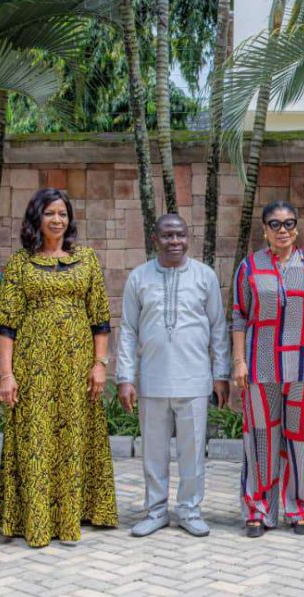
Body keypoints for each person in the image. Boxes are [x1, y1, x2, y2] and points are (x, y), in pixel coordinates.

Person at [0, 188, 117, 547]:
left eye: (63, 213)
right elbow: (6, 325)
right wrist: (6, 375)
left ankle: (74, 514)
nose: (57, 220)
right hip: (33, 366)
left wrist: (100, 364)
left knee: (76, 434)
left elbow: (100, 319)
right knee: (35, 436)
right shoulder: (20, 264)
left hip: (78, 366)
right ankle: (34, 518)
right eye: (50, 213)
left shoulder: (87, 259)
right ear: (37, 218)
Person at [116, 214, 231, 538]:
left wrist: (221, 374)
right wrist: (125, 377)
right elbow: (128, 330)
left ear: (188, 238)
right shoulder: (139, 278)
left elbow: (218, 328)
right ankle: (155, 511)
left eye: (180, 235)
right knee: (153, 452)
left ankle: (189, 510)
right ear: (155, 239)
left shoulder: (204, 276)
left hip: (194, 379)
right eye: (167, 235)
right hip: (152, 380)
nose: (175, 241)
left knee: (192, 453)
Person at [232, 199, 304, 537]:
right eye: (275, 224)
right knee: (262, 436)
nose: (283, 230)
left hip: (303, 365)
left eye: (289, 223)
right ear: (264, 230)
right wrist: (239, 361)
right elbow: (239, 316)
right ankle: (258, 509)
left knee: (300, 438)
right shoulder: (250, 267)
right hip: (260, 367)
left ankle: (300, 508)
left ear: (297, 229)